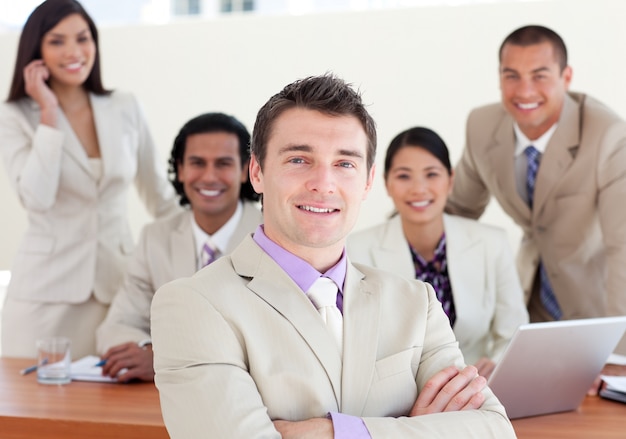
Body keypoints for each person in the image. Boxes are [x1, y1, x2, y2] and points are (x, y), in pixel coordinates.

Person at [150, 74, 516, 438]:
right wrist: (412, 428)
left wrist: (330, 432)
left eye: (344, 164)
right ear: (257, 172)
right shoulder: (193, 304)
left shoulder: (416, 304)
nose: (323, 183)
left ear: (368, 181)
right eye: (298, 159)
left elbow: (495, 431)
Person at [0, 0, 178, 359]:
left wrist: (213, 243)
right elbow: (36, 197)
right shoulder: (15, 116)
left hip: (116, 291)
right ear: (36, 52)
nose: (74, 51)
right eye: (57, 41)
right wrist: (48, 113)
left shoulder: (125, 106)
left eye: (83, 38)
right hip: (44, 294)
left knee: (104, 408)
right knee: (29, 406)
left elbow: (159, 195)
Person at [447, 25, 626, 325]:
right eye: (511, 75)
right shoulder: (481, 125)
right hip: (528, 302)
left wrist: (620, 356)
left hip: (599, 311)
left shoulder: (608, 136)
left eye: (539, 76)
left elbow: (623, 245)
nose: (525, 91)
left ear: (566, 77)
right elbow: (458, 212)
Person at [348, 127, 528, 379]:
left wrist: (497, 364)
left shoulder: (491, 243)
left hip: (476, 389)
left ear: (450, 180)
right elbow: (355, 343)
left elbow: (514, 332)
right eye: (403, 176)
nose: (419, 189)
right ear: (386, 183)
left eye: (431, 174)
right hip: (396, 397)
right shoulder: (355, 249)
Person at [95, 112, 262, 382]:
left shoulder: (273, 237)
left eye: (223, 164)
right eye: (197, 163)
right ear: (180, 169)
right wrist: (143, 351)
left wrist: (165, 359)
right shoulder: (155, 238)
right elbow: (117, 326)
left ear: (246, 170)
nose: (209, 176)